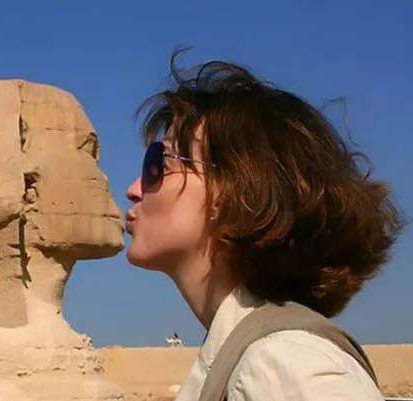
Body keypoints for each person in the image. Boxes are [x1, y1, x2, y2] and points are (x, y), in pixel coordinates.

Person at [124, 50, 404, 401]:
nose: (133, 189)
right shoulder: (250, 359)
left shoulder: (283, 366)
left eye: (158, 164)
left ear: (229, 192)